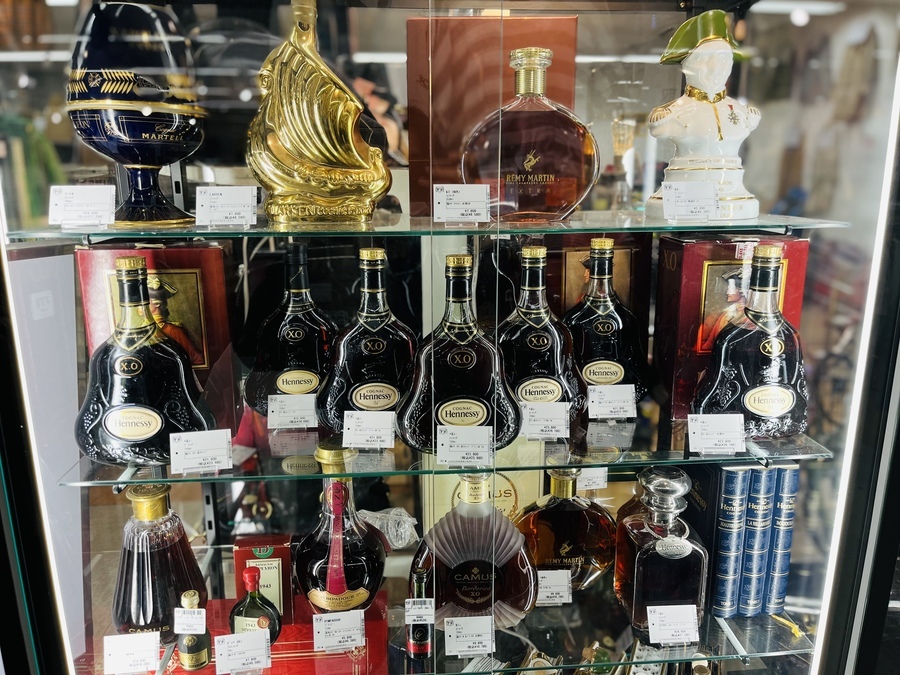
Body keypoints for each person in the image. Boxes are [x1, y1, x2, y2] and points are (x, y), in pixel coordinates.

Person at [645, 10, 760, 220]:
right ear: (686, 65)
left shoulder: (743, 113)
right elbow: (660, 128)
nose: (715, 68)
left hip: (733, 196)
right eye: (704, 59)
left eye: (723, 58)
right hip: (686, 198)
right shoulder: (671, 113)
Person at [147, 275, 205, 366]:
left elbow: (197, 359)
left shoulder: (173, 330)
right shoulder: (143, 330)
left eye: (145, 301)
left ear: (157, 303)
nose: (140, 306)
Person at [699, 268, 747, 351]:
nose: (727, 293)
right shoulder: (725, 315)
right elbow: (710, 342)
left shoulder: (750, 318)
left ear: (742, 291)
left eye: (730, 289)